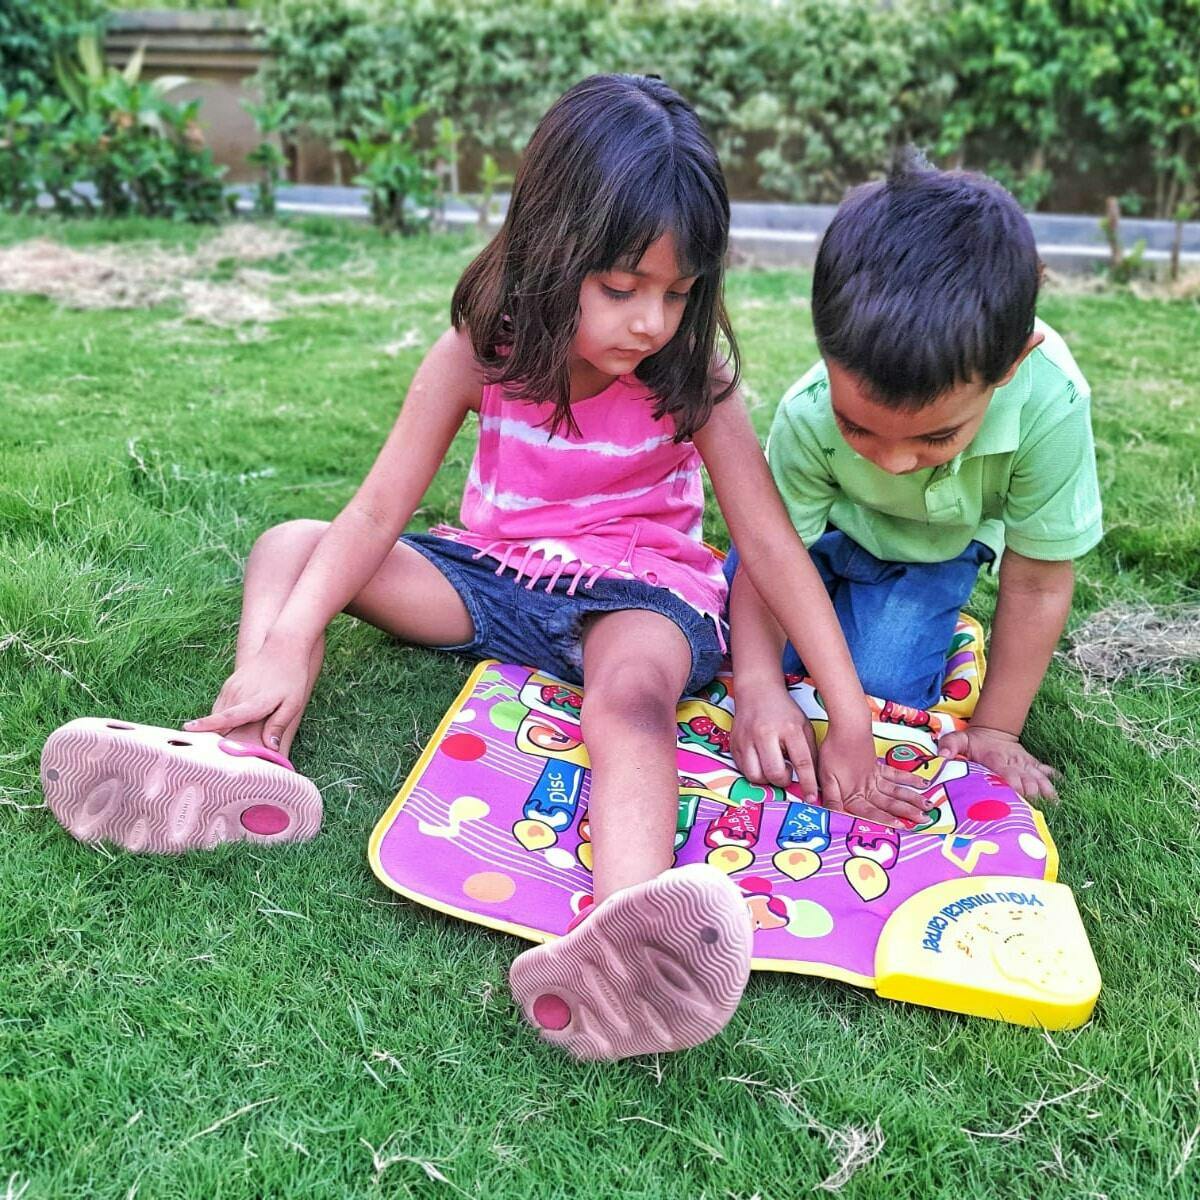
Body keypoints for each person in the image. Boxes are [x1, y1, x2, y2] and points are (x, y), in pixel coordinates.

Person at [43, 76, 921, 1061]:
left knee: (629, 701)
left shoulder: (696, 382)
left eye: (677, 294)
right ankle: (244, 759)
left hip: (640, 597)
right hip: (497, 583)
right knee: (290, 548)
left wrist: (845, 720)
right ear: (552, 251)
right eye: (623, 288)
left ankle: (630, 925)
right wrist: (291, 642)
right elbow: (376, 509)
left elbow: (765, 547)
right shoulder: (480, 352)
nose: (651, 323)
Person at [727, 151, 1103, 805]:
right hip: (808, 543)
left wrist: (994, 729)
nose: (891, 461)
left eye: (935, 436)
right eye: (858, 427)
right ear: (826, 351)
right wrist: (757, 685)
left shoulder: (1054, 405)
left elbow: (1039, 580)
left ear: (1011, 365)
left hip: (932, 554)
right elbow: (772, 556)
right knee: (730, 652)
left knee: (882, 689)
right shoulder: (807, 411)